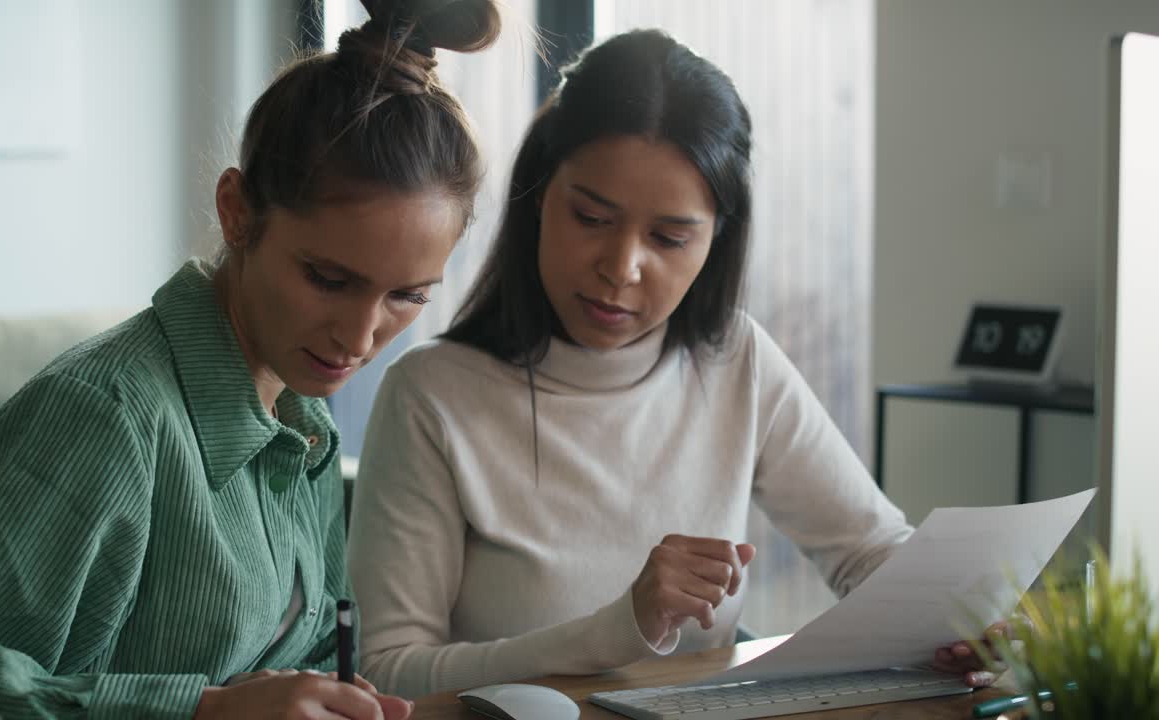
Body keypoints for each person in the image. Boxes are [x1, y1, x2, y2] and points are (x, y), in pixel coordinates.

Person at [0, 1, 501, 717]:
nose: (359, 337)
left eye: (407, 297)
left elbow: (300, 663)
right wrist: (201, 711)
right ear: (237, 211)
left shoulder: (304, 427)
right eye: (328, 280)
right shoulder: (103, 418)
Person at [348, 29, 1003, 699]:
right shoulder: (431, 395)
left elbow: (867, 550)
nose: (621, 268)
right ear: (539, 194)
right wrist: (619, 627)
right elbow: (388, 670)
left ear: (716, 241)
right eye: (591, 216)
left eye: (669, 238)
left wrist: (958, 616)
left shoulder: (736, 361)